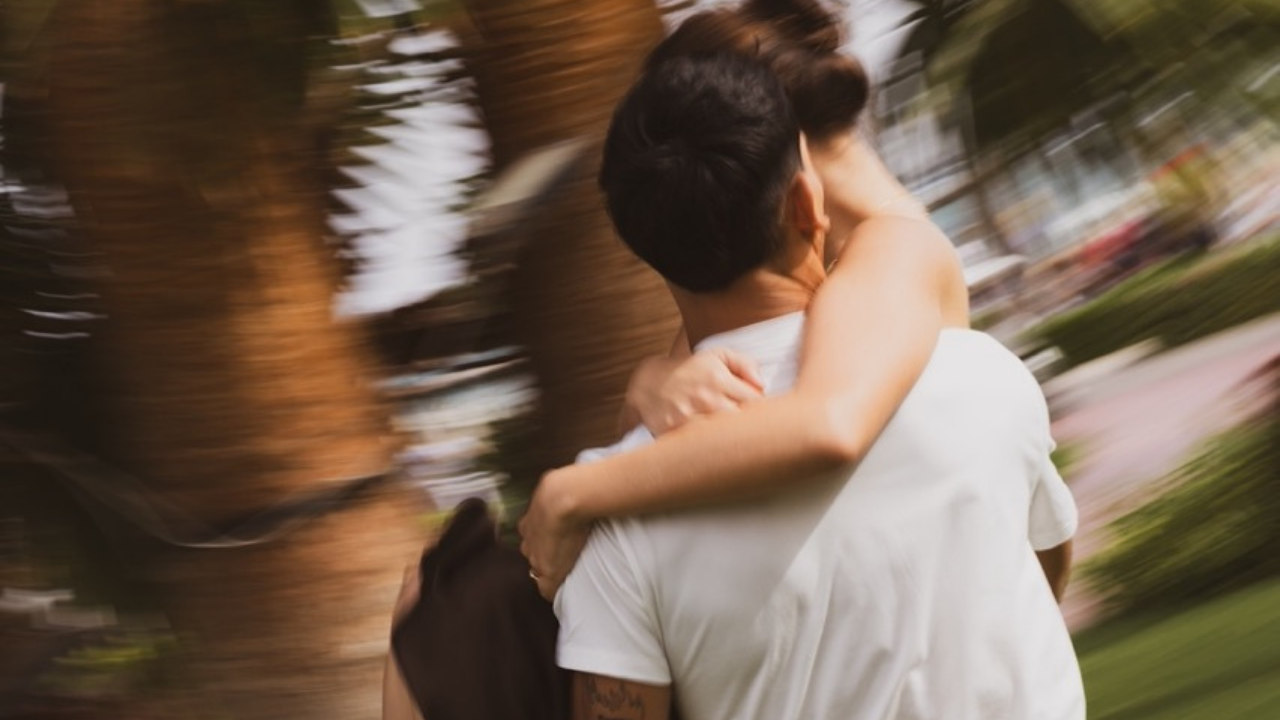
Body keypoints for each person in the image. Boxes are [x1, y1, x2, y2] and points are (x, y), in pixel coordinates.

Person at [554, 49, 1083, 720]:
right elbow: (1042, 575)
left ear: (647, 248)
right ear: (807, 200)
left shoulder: (616, 526)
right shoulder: (984, 376)